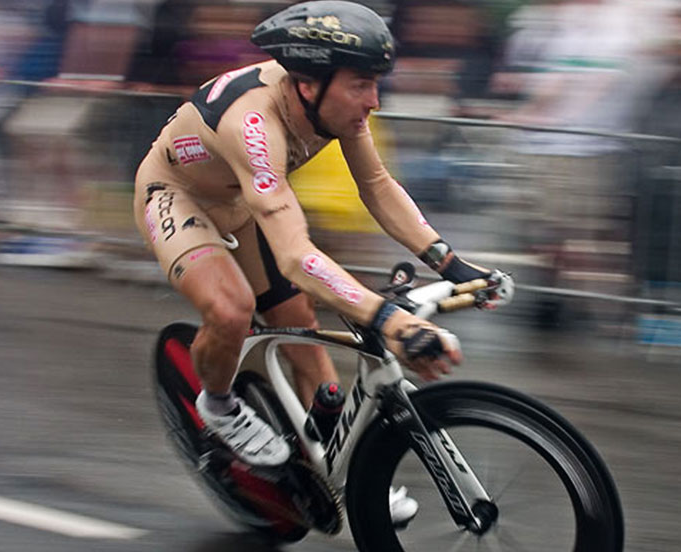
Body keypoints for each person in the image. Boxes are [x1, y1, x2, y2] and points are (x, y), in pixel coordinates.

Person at [132, 1, 511, 519]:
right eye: (362, 84)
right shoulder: (254, 125)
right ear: (309, 84)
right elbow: (294, 257)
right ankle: (217, 405)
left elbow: (377, 188)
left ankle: (342, 475)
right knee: (231, 308)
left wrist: (450, 264)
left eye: (375, 83)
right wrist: (389, 320)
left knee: (301, 328)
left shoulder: (330, 98)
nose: (374, 100)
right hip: (176, 196)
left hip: (240, 203)